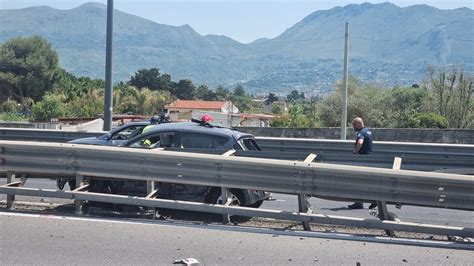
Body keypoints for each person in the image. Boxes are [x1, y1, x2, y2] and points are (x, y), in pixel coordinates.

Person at [347, 117, 374, 209]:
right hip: (369, 159)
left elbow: (360, 142)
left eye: (354, 125)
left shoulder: (361, 133)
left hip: (362, 159)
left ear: (358, 124)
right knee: (365, 181)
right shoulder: (368, 131)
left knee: (358, 181)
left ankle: (362, 202)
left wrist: (355, 151)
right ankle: (363, 202)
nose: (353, 127)